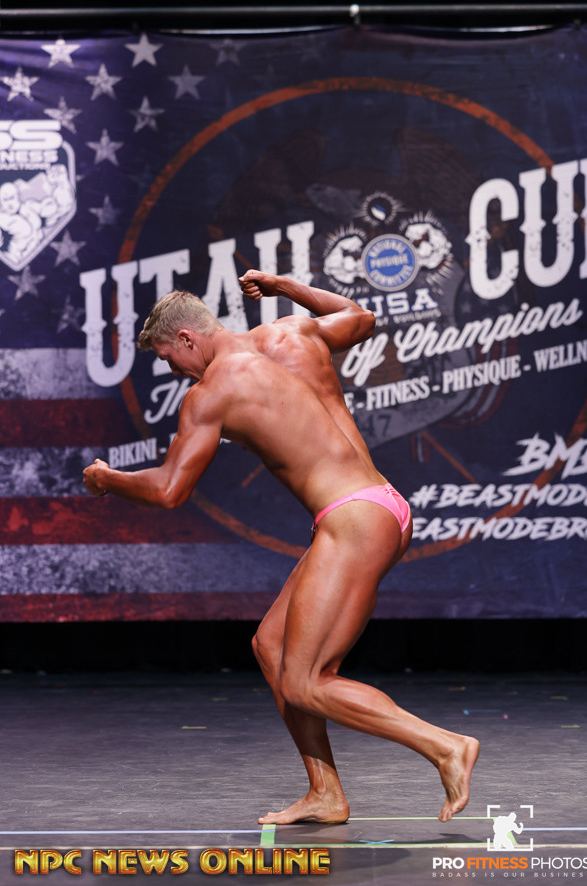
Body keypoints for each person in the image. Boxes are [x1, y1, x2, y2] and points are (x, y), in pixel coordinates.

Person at [83, 269, 479, 825]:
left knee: (306, 682)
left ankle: (445, 747)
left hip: (354, 518)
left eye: (170, 359)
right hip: (374, 504)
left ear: (188, 338)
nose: (174, 372)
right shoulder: (290, 335)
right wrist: (282, 285)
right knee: (271, 646)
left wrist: (108, 479)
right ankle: (325, 793)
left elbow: (170, 490)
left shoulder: (210, 393)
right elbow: (361, 317)